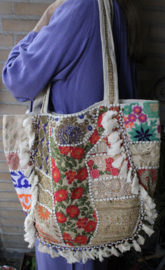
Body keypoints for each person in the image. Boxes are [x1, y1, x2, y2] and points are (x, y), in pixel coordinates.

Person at [2, 0, 143, 269]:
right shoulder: (121, 9)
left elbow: (17, 78)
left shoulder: (82, 6)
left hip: (70, 194)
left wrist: (48, 16)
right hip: (109, 200)